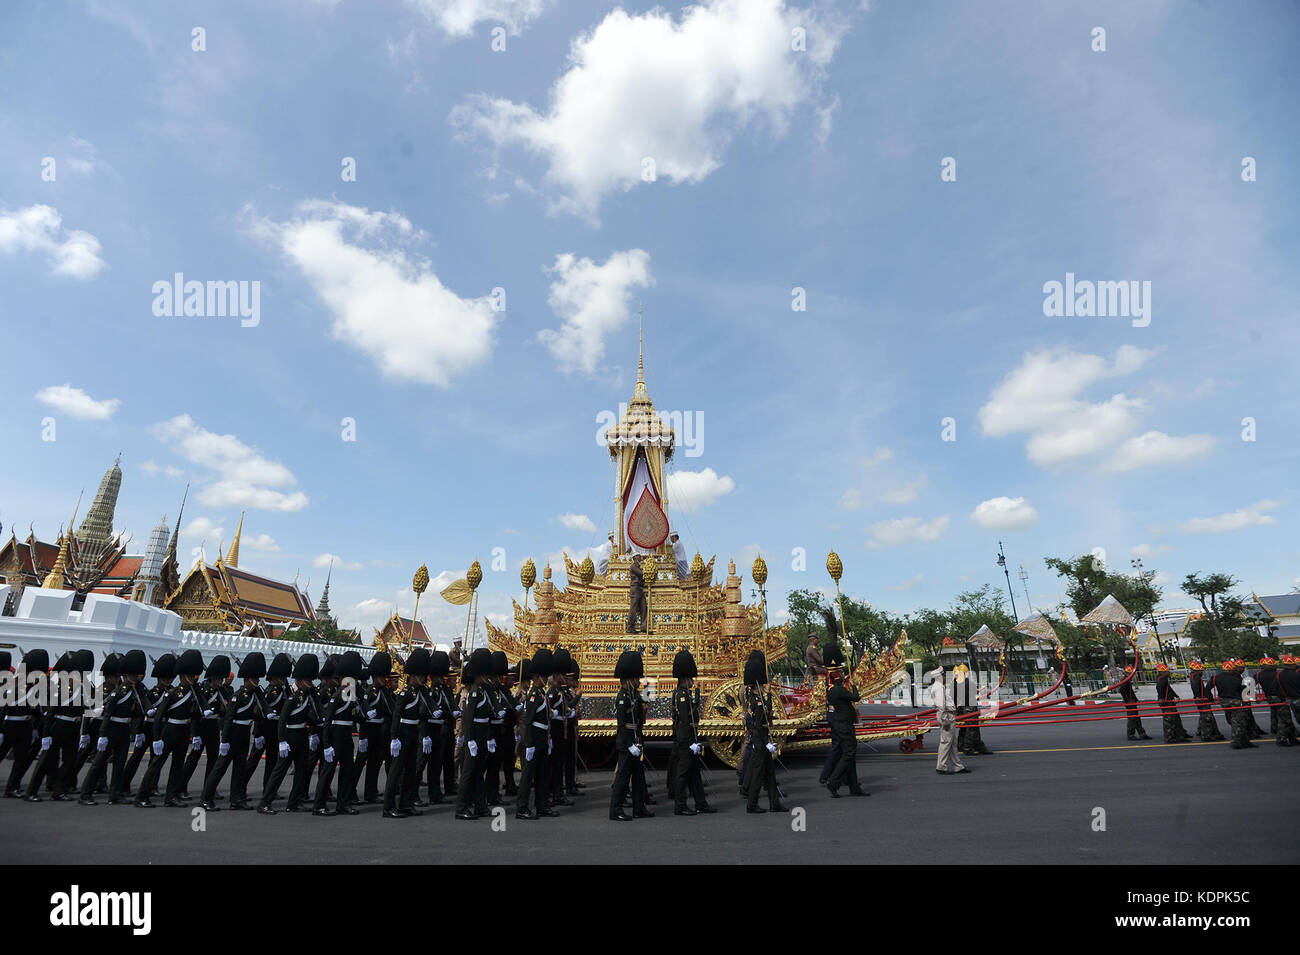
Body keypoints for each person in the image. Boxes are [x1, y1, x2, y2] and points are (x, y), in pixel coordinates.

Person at [135, 648, 205, 808]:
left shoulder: (193, 692)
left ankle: (171, 796)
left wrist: (196, 731)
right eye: (192, 675)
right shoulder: (173, 693)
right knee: (157, 763)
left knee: (177, 765)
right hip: (171, 730)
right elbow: (159, 716)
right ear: (183, 675)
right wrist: (157, 738)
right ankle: (142, 796)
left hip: (183, 731)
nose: (194, 678)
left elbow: (194, 714)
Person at [79, 649, 148, 806]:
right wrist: (96, 734)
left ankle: (115, 793)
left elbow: (137, 713)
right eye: (113, 676)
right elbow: (97, 714)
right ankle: (85, 793)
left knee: (119, 763)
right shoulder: (114, 692)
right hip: (108, 729)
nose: (115, 679)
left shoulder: (133, 692)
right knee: (98, 763)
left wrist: (138, 731)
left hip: (123, 730)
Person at [199, 652, 266, 810]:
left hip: (244, 733)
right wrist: (224, 740)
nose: (257, 681)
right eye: (255, 678)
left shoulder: (255, 694)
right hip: (233, 733)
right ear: (248, 678)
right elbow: (228, 719)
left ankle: (237, 799)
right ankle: (205, 799)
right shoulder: (237, 696)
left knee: (240, 768)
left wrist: (257, 733)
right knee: (220, 768)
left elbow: (257, 714)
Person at [256, 653, 321, 813]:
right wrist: (282, 740)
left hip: (301, 737)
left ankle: (294, 802)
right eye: (308, 681)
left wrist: (315, 731)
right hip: (290, 736)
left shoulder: (309, 696)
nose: (310, 683)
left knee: (301, 769)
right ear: (299, 681)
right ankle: (265, 802)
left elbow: (312, 716)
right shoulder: (293, 698)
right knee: (280, 770)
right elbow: (282, 720)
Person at [313, 650, 364, 816]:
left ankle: (343, 803)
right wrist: (326, 744)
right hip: (335, 736)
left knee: (347, 771)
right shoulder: (338, 695)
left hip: (347, 736)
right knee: (327, 772)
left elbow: (355, 715)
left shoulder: (352, 693)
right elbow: (327, 721)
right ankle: (319, 805)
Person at [382, 647, 430, 819]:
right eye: (422, 675)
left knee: (410, 771)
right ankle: (388, 807)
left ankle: (406, 804)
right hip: (402, 734)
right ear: (415, 675)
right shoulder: (405, 693)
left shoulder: (419, 692)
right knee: (395, 773)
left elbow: (420, 713)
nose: (425, 678)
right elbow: (396, 715)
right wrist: (394, 737)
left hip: (412, 734)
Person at [180, 655, 233, 797]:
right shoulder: (202, 690)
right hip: (201, 726)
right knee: (193, 759)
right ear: (213, 678)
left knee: (213, 760)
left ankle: (209, 788)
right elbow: (196, 714)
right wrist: (194, 734)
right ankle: (181, 787)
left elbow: (225, 709)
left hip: (213, 728)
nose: (221, 682)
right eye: (219, 679)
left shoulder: (221, 691)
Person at [669, 649, 713, 815]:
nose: (692, 681)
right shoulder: (680, 695)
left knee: (695, 773)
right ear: (685, 678)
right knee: (683, 772)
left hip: (690, 737)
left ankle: (700, 803)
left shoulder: (686, 693)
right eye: (691, 679)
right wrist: (691, 741)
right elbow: (685, 720)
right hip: (685, 738)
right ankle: (680, 805)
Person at [609, 650, 651, 821]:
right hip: (627, 744)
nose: (638, 681)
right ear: (629, 678)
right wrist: (629, 744)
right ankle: (615, 809)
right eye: (636, 678)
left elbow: (646, 703)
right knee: (623, 779)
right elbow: (622, 725)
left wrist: (650, 687)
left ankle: (639, 807)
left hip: (636, 741)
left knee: (639, 778)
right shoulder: (622, 697)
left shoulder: (633, 695)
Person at [516, 648, 556, 820]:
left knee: (542, 774)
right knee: (528, 776)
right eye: (544, 676)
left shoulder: (540, 694)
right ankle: (522, 808)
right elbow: (529, 720)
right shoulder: (533, 695)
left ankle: (542, 805)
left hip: (542, 738)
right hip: (534, 739)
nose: (546, 679)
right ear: (537, 676)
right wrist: (530, 744)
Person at [2, 649, 47, 799]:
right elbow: (2, 709)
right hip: (9, 726)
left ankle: (12, 787)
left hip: (25, 727)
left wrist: (35, 727)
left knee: (21, 760)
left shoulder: (35, 687)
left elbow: (35, 709)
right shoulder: (14, 685)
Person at [742, 650, 783, 812]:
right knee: (759, 773)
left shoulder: (757, 698)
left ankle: (775, 803)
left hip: (762, 740)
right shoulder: (756, 700)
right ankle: (751, 804)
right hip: (760, 739)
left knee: (770, 773)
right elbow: (762, 721)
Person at [455, 647, 493, 820]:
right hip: (475, 736)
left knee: (478, 772)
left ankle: (480, 805)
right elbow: (468, 718)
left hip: (481, 735)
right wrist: (469, 739)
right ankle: (461, 807)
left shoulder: (483, 691)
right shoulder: (476, 692)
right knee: (468, 772)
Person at [247, 653, 291, 798]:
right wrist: (258, 734)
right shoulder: (269, 692)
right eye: (282, 678)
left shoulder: (284, 690)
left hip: (276, 729)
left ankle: (269, 789)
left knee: (272, 761)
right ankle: (239, 788)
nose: (284, 680)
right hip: (265, 728)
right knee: (253, 761)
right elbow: (259, 714)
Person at [353, 651, 393, 804]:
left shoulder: (384, 692)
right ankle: (351, 791)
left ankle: (371, 792)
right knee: (360, 763)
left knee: (375, 763)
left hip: (379, 731)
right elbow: (362, 709)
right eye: (382, 677)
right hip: (367, 730)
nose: (384, 679)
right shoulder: (369, 692)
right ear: (376, 677)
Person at [825, 656, 866, 797]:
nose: (843, 675)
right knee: (848, 754)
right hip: (844, 726)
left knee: (850, 755)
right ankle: (833, 781)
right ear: (837, 677)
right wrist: (854, 685)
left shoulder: (835, 690)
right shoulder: (838, 690)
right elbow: (856, 697)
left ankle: (854, 787)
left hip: (843, 724)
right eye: (841, 674)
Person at [930, 666, 968, 775]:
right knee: (946, 742)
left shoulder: (938, 686)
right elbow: (941, 706)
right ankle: (941, 766)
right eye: (944, 675)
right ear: (940, 677)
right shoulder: (939, 687)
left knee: (952, 743)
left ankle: (958, 766)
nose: (945, 677)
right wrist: (945, 721)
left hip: (947, 715)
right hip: (946, 716)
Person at [1213, 658, 1254, 749]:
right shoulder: (1236, 678)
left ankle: (1245, 741)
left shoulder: (1217, 677)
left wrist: (1210, 698)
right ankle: (1236, 742)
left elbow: (1208, 687)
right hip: (1235, 702)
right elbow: (1244, 690)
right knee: (1238, 722)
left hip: (1223, 701)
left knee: (1233, 720)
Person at [1189, 661, 1225, 741]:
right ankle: (1207, 735)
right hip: (1201, 699)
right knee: (1207, 717)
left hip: (1199, 698)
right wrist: (1200, 696)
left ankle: (1202, 731)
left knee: (1203, 715)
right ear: (1197, 671)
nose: (1202, 672)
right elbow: (1197, 687)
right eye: (1200, 670)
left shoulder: (1193, 676)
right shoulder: (1196, 677)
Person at [1154, 662, 1189, 743]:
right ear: (1163, 672)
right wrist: (1162, 698)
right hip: (1166, 701)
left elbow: (1169, 689)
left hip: (1168, 700)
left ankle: (1178, 735)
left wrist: (1176, 696)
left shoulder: (1162, 678)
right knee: (1169, 720)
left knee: (1174, 719)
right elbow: (1159, 688)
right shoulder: (1162, 679)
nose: (1168, 672)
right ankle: (1169, 738)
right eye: (1167, 671)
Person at [1118, 666, 1150, 741]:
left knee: (1136, 718)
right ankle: (1130, 734)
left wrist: (1135, 699)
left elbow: (1130, 691)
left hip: (1131, 701)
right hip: (1129, 702)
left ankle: (1142, 733)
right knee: (1132, 718)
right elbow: (1122, 690)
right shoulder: (1125, 680)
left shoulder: (1127, 680)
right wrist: (1128, 700)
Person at [1277, 654, 1300, 746]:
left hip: (1288, 699)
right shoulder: (1297, 673)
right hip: (1298, 699)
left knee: (1287, 720)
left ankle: (1283, 739)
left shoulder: (1279, 675)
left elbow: (1276, 688)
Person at [626, 555, 647, 633]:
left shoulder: (638, 566)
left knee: (644, 607)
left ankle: (644, 627)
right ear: (635, 557)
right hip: (635, 588)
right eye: (639, 556)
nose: (640, 557)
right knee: (633, 608)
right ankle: (630, 627)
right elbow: (641, 574)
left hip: (640, 589)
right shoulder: (633, 566)